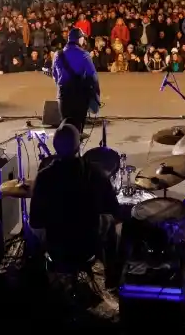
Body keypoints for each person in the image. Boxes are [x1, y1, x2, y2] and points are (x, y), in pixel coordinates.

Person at [29, 122, 120, 286]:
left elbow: (35, 222)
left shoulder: (44, 177)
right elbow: (114, 209)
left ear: (55, 147)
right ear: (78, 147)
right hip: (88, 246)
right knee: (111, 221)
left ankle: (38, 280)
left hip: (56, 249)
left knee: (35, 233)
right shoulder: (95, 173)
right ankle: (112, 276)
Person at [51, 27, 100, 133]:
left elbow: (54, 75)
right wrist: (96, 96)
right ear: (79, 39)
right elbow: (93, 77)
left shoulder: (57, 55)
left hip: (63, 95)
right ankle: (77, 147)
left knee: (66, 127)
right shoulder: (84, 55)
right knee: (78, 129)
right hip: (79, 96)